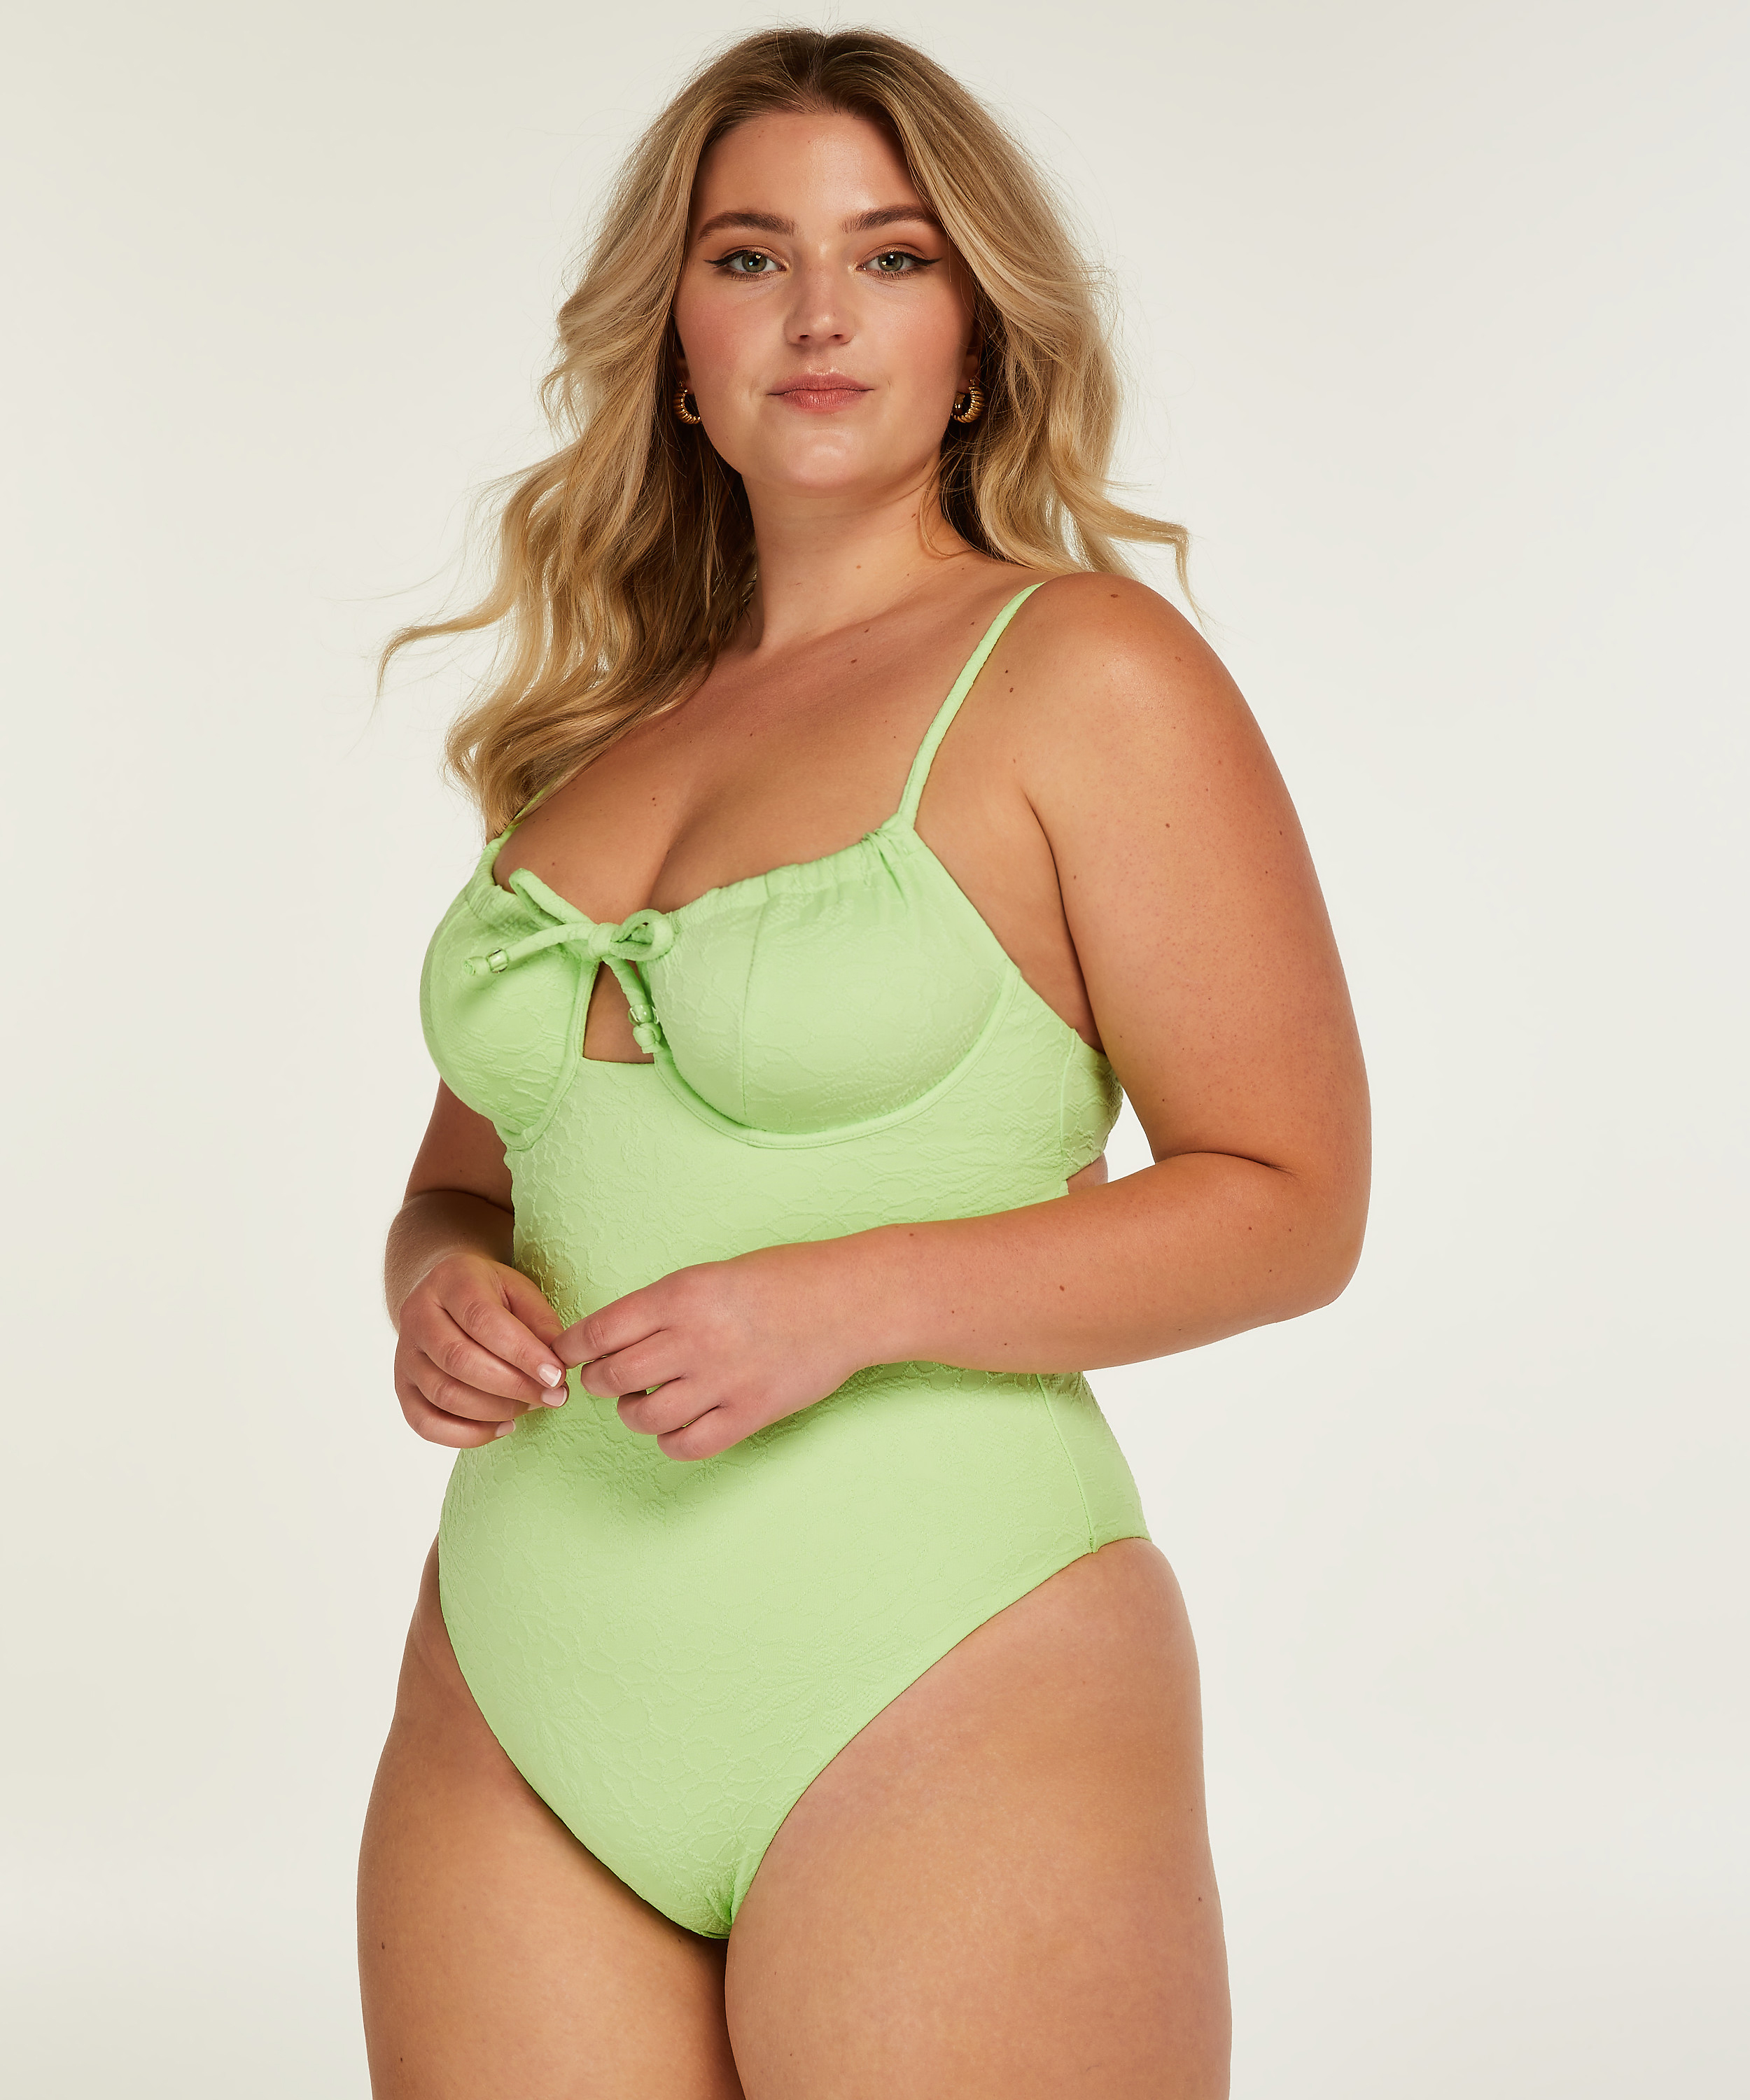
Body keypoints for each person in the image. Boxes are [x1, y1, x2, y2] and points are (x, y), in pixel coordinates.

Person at [356, 27, 1368, 2099]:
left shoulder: (1081, 671)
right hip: (520, 1683)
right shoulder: (589, 747)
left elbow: (1290, 1204)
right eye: (750, 257)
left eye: (892, 257)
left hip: (937, 1659)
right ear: (674, 343)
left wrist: (843, 1302)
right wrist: (434, 1284)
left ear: (978, 334)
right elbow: (470, 1179)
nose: (819, 314)